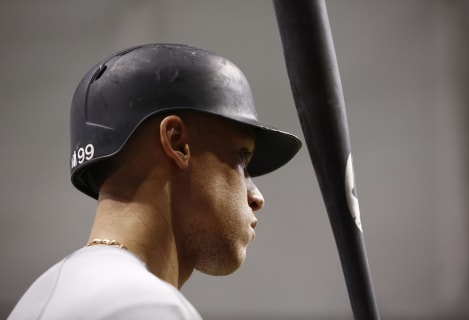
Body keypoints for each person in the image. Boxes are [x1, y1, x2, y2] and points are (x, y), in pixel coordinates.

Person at [8, 44, 301, 319]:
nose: (256, 197)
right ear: (177, 143)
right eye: (242, 159)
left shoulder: (38, 298)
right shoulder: (142, 305)